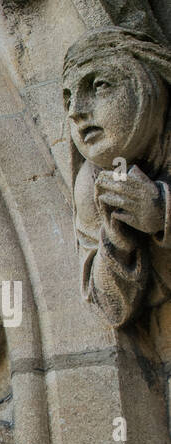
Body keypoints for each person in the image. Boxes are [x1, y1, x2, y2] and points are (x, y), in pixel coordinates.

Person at [62, 27, 171, 327]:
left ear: (147, 81)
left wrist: (161, 211)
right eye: (68, 98)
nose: (75, 112)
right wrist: (117, 240)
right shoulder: (93, 181)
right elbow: (109, 308)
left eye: (99, 86)